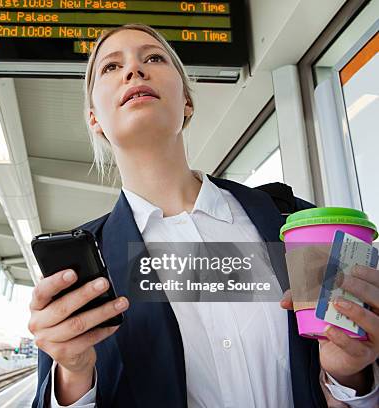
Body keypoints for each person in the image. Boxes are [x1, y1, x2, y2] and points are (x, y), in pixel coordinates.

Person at [28, 24, 379, 407]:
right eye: (111, 68)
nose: (134, 71)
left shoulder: (292, 224)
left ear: (187, 104)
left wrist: (352, 377)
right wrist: (74, 374)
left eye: (153, 58)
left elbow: (347, 376)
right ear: (95, 119)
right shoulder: (83, 269)